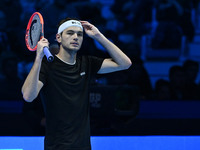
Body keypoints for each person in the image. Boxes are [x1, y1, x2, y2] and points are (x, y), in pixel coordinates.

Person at [21, 18, 132, 150]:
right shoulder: (47, 66)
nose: (75, 37)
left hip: (83, 146)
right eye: (70, 33)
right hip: (56, 146)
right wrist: (38, 57)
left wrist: (98, 36)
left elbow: (125, 63)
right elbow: (28, 96)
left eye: (79, 34)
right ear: (59, 38)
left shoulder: (87, 63)